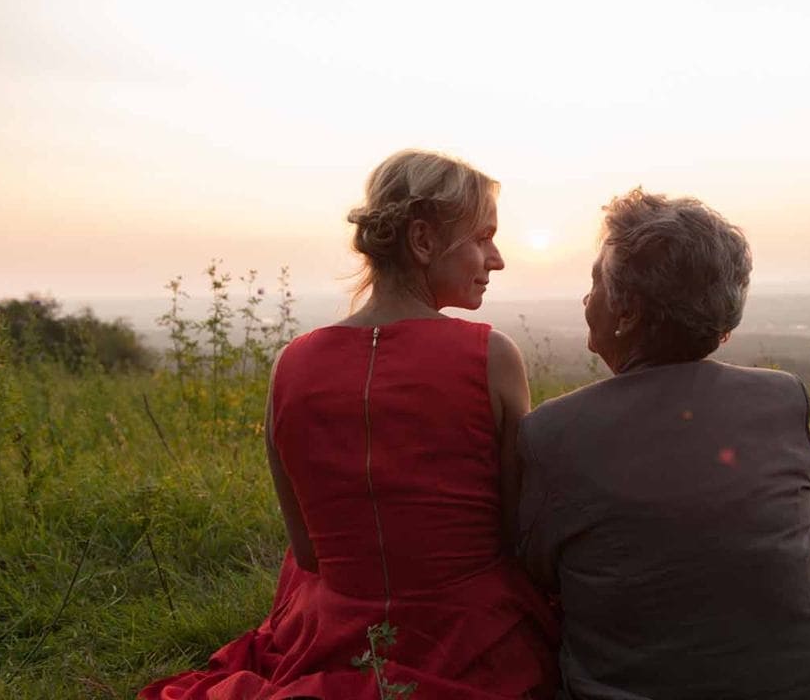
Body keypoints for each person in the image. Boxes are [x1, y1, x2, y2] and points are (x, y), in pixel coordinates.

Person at [141, 150, 558, 699]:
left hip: (335, 634)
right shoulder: (492, 357)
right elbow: (515, 536)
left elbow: (311, 555)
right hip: (472, 640)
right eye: (482, 237)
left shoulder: (291, 363)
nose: (496, 258)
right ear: (423, 241)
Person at [516, 188, 810, 699]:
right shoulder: (783, 397)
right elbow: (807, 517)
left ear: (626, 313)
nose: (587, 300)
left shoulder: (552, 433)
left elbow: (532, 572)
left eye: (596, 283)